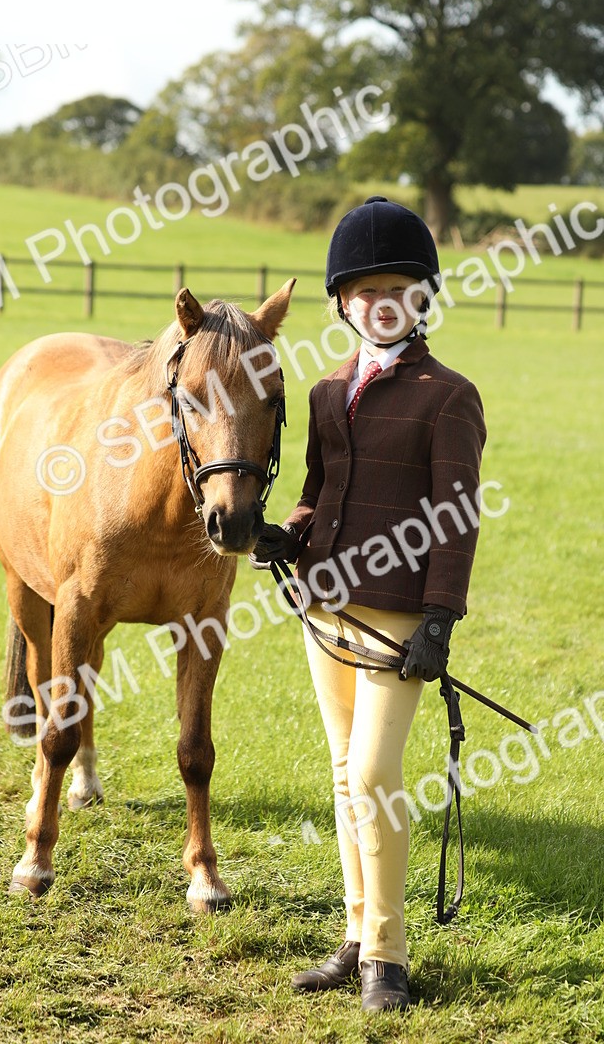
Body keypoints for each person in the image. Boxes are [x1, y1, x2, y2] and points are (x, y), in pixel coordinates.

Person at [251, 196, 486, 1013]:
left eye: (398, 288)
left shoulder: (449, 396)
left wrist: (439, 621)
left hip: (397, 618)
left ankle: (388, 956)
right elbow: (321, 493)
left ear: (422, 298)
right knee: (345, 776)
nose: (379, 302)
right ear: (342, 303)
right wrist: (289, 535)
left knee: (377, 774)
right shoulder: (324, 393)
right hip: (325, 610)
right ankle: (355, 934)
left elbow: (458, 518)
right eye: (363, 290)